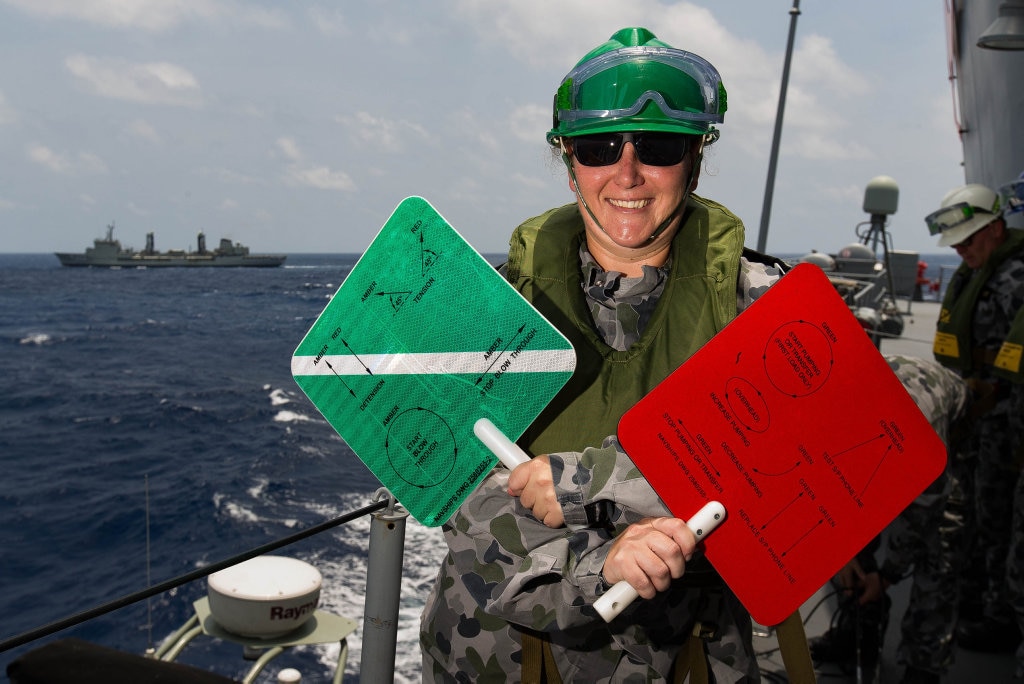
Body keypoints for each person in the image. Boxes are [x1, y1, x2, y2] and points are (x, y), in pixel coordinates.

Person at [420, 27, 786, 682]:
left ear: (695, 159)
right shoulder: (490, 310)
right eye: (597, 147)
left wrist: (598, 480)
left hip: (687, 651)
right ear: (569, 164)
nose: (626, 172)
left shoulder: (760, 305)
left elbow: (808, 456)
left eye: (659, 146)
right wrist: (603, 563)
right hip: (505, 654)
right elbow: (458, 498)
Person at [806, 355, 968, 684]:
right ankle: (857, 636)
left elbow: (923, 519)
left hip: (956, 428)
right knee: (855, 540)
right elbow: (826, 488)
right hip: (894, 407)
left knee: (940, 553)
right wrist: (844, 554)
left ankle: (924, 664)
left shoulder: (923, 440)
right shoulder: (828, 413)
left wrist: (887, 575)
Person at [924, 182, 1024, 657]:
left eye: (969, 239)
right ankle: (975, 602)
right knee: (970, 516)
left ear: (996, 228)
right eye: (957, 243)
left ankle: (1001, 617)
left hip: (1010, 426)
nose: (962, 249)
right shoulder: (973, 276)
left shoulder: (1017, 279)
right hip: (974, 420)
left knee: (1002, 523)